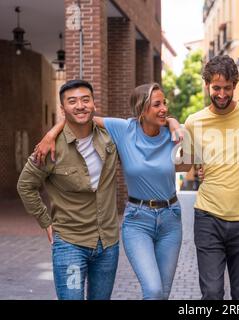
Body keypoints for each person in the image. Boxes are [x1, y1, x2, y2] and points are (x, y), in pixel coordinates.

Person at [33, 82, 188, 300]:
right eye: (157, 104)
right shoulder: (123, 129)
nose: (164, 108)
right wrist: (50, 134)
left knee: (161, 294)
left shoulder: (172, 134)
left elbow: (188, 165)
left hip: (171, 218)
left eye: (164, 104)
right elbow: (81, 118)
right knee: (153, 290)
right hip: (138, 218)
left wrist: (174, 122)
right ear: (142, 109)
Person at [17, 80, 120, 300]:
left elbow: (140, 126)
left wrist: (171, 123)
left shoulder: (110, 137)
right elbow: (25, 185)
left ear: (93, 103)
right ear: (63, 109)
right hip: (70, 244)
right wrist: (45, 221)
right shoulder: (50, 149)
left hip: (108, 243)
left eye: (85, 99)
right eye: (72, 102)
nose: (80, 106)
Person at [181, 55, 239, 300]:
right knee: (212, 292)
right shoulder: (194, 122)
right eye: (216, 88)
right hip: (208, 218)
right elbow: (185, 163)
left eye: (227, 88)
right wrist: (195, 165)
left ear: (234, 87)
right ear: (207, 85)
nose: (221, 94)